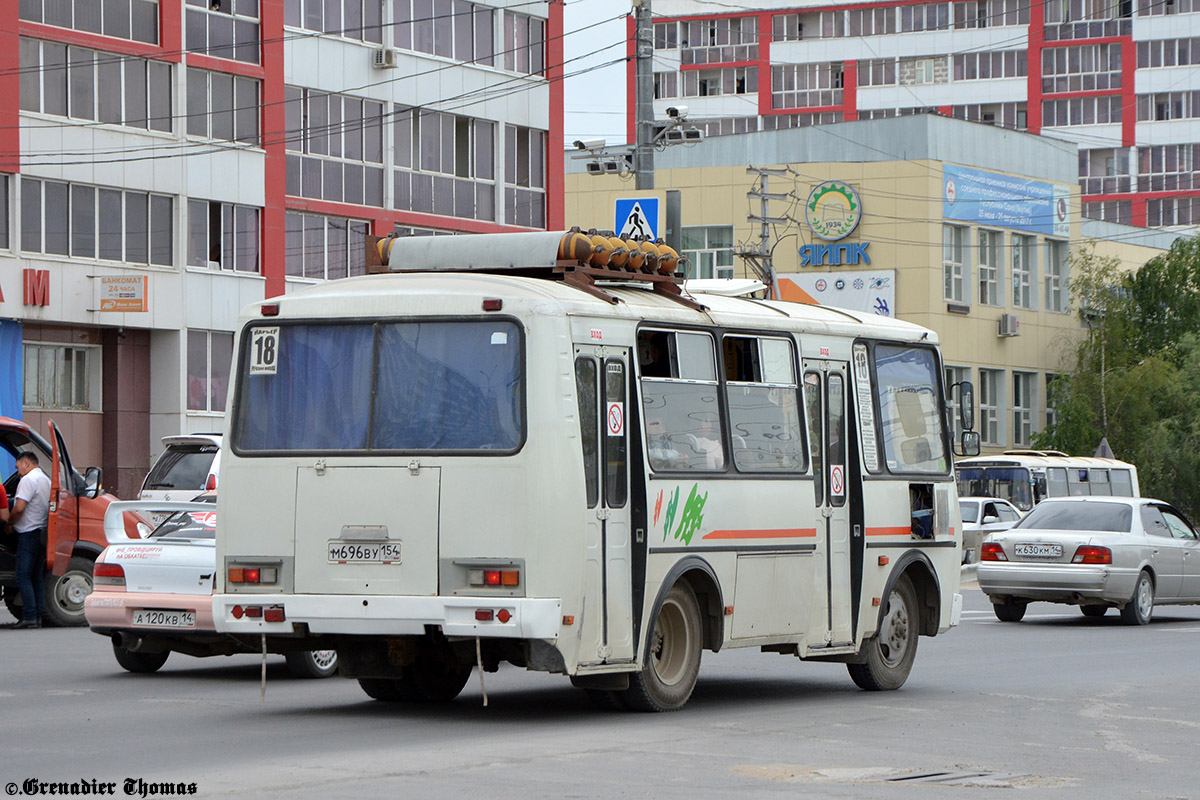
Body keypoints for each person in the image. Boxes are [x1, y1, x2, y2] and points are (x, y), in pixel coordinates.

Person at [6, 451, 51, 629]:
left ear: (26, 463)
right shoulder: (45, 480)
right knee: (36, 577)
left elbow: (19, 508)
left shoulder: (28, 480)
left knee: (23, 576)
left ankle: (29, 617)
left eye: (18, 467)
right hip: (41, 533)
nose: (18, 472)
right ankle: (38, 616)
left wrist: (9, 523)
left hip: (27, 533)